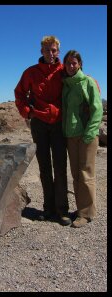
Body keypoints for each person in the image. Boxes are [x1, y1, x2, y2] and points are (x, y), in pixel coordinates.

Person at [14, 36, 71, 226]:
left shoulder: (64, 71)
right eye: (47, 50)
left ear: (58, 51)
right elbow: (19, 93)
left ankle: (62, 210)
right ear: (41, 51)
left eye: (54, 50)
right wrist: (28, 112)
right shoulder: (31, 72)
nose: (51, 53)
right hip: (39, 122)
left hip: (59, 123)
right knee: (45, 166)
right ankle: (48, 208)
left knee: (60, 166)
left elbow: (80, 84)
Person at [62, 50, 103, 228]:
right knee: (76, 174)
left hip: (86, 134)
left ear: (80, 64)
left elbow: (97, 108)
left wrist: (90, 132)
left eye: (74, 63)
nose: (71, 66)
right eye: (68, 63)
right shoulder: (67, 84)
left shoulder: (88, 82)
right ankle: (81, 209)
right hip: (71, 135)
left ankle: (86, 214)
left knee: (86, 173)